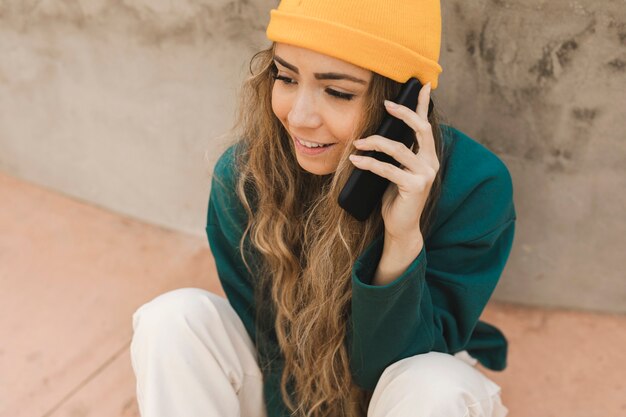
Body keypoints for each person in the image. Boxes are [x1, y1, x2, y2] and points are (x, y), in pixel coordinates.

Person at [130, 0, 517, 416]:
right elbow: (271, 344)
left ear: (402, 104)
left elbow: (395, 368)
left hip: (397, 394)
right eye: (286, 77)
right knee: (172, 321)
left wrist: (401, 242)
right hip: (286, 384)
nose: (299, 117)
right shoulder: (246, 176)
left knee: (439, 386)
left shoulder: (475, 186)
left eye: (338, 91)